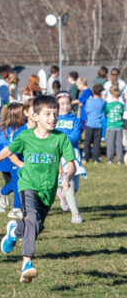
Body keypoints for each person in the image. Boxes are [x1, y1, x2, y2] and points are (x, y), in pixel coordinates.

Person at [0, 95, 75, 283]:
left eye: (55, 114)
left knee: (36, 226)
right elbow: (8, 150)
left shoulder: (61, 138)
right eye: (47, 114)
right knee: (32, 218)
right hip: (27, 185)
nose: (52, 118)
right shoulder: (25, 136)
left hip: (47, 190)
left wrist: (66, 177)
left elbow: (71, 164)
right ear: (36, 116)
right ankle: (27, 263)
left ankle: (14, 231)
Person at [55, 92, 85, 224]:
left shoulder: (75, 120)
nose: (65, 106)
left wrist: (60, 139)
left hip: (73, 154)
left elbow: (76, 136)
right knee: (69, 184)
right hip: (59, 155)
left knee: (75, 186)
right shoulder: (53, 119)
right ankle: (75, 214)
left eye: (67, 103)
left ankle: (61, 193)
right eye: (62, 104)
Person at [83, 83, 106, 163]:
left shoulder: (88, 101)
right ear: (101, 92)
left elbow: (86, 111)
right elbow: (104, 112)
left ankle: (85, 158)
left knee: (87, 142)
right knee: (96, 143)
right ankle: (96, 159)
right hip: (98, 125)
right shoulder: (102, 102)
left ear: (93, 91)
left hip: (89, 124)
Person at [105, 85, 124, 164]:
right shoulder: (121, 105)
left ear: (112, 94)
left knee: (110, 143)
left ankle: (109, 159)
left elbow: (106, 114)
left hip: (111, 126)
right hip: (119, 126)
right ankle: (119, 159)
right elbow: (121, 113)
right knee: (119, 144)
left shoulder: (109, 105)